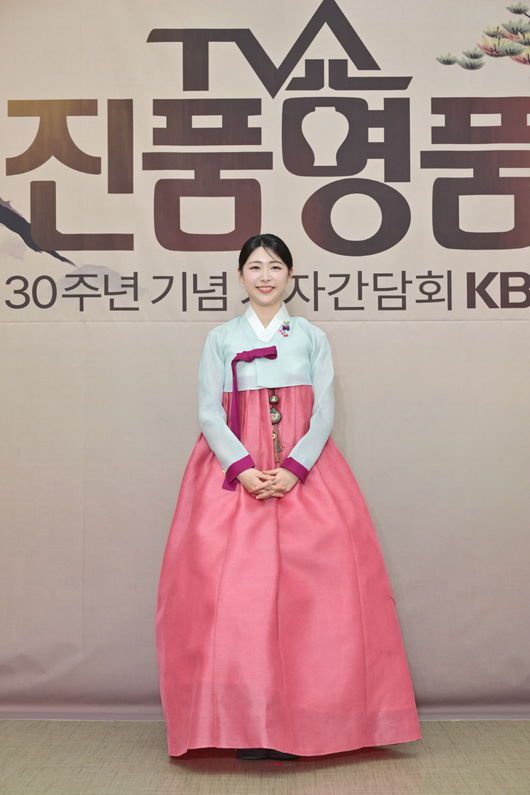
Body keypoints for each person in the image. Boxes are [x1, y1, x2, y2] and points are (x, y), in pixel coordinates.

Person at [155, 233, 422, 761]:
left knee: (316, 601)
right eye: (255, 267)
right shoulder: (220, 338)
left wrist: (294, 470)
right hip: (235, 475)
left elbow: (323, 412)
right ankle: (244, 726)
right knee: (234, 601)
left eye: (275, 266)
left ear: (291, 275)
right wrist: (244, 470)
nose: (265, 276)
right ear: (240, 276)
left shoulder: (311, 337)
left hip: (304, 471)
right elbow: (209, 412)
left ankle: (307, 723)